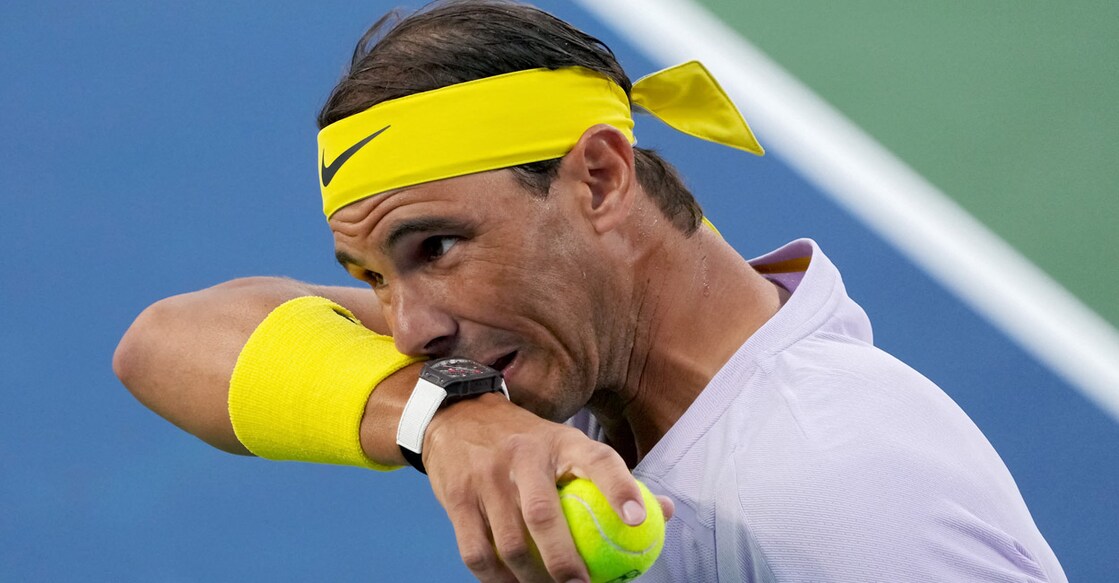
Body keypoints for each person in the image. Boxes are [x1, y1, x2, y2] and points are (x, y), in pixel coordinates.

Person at [113, 1, 1067, 581]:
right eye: (374, 277)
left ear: (601, 180)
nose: (407, 329)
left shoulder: (837, 480)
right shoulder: (602, 371)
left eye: (435, 245)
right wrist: (443, 422)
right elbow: (164, 341)